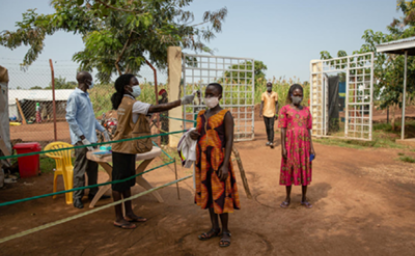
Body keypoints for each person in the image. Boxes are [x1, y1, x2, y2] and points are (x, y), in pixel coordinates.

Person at [110, 74, 194, 229]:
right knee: (118, 184)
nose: (138, 86)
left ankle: (128, 213)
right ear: (126, 88)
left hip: (126, 148)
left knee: (126, 182)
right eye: (135, 83)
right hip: (122, 149)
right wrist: (182, 101)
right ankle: (118, 217)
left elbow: (143, 114)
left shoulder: (126, 101)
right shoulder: (131, 103)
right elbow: (157, 108)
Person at [190, 83, 240, 247]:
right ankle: (215, 227)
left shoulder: (225, 115)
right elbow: (198, 133)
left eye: (212, 94)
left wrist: (225, 165)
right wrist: (193, 134)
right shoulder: (201, 114)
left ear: (219, 96)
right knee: (209, 195)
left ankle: (225, 230)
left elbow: (230, 139)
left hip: (219, 161)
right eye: (207, 94)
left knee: (221, 195)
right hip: (203, 161)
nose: (208, 97)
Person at [66, 71, 111, 209]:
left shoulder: (86, 96)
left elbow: (91, 119)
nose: (92, 82)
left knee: (93, 167)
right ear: (85, 81)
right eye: (90, 79)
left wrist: (103, 130)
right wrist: (82, 138)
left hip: (92, 139)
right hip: (82, 141)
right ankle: (77, 197)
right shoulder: (75, 96)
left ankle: (93, 192)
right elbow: (70, 118)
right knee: (80, 168)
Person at [279, 84, 316, 209]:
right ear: (290, 95)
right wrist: (283, 147)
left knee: (305, 168)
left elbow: (308, 129)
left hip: (304, 145)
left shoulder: (306, 110)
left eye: (300, 95)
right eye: (295, 95)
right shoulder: (284, 110)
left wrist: (311, 147)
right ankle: (287, 197)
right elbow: (283, 129)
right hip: (290, 144)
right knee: (288, 168)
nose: (298, 97)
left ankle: (304, 198)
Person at [259, 82, 279, 148]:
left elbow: (277, 104)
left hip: (272, 113)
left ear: (272, 86)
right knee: (267, 127)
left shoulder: (275, 94)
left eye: (270, 86)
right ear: (266, 86)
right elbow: (262, 103)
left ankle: (271, 141)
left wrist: (276, 113)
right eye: (268, 86)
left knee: (271, 127)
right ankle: (268, 139)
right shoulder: (263, 94)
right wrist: (260, 111)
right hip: (265, 113)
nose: (269, 87)